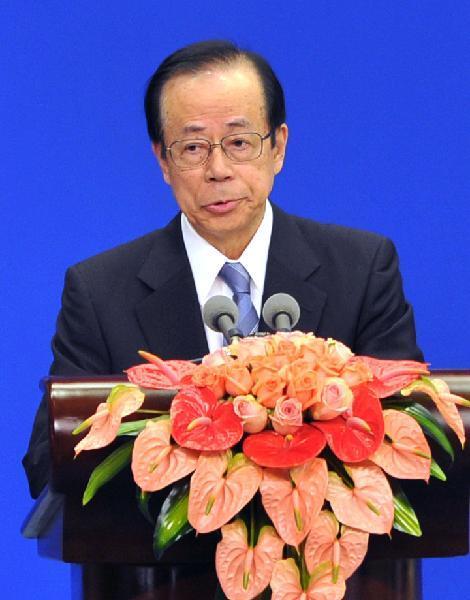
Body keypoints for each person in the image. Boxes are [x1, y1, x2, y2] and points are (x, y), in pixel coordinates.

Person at [23, 39, 422, 500]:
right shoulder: (98, 291)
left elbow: (409, 435)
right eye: (193, 147)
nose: (218, 170)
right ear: (163, 161)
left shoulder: (361, 269)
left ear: (278, 147)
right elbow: (47, 463)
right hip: (160, 569)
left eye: (239, 143)